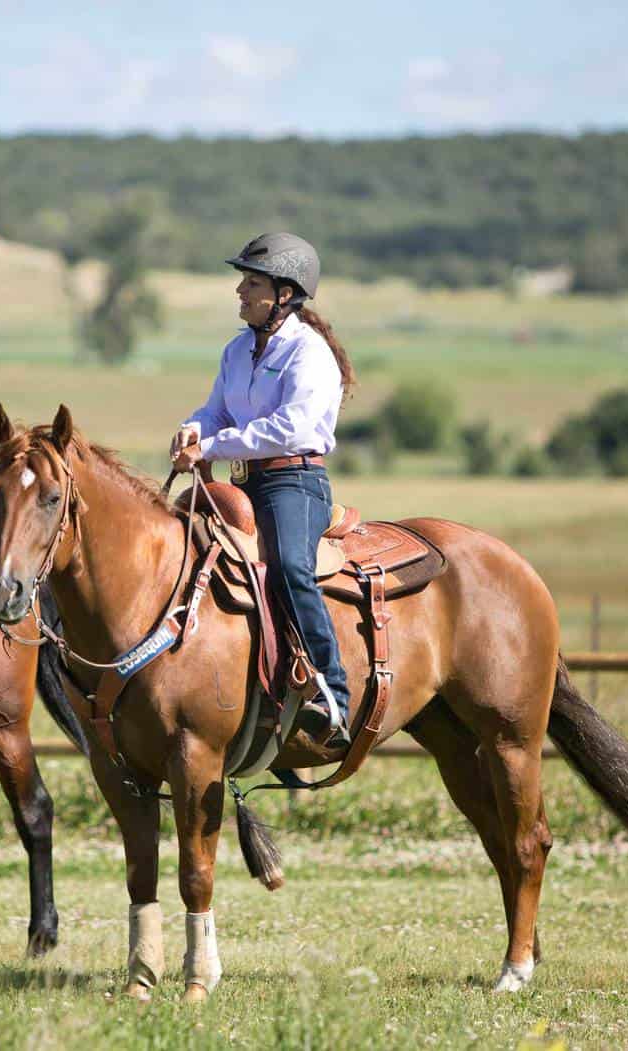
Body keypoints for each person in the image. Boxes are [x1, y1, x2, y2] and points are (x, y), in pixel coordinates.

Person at [172, 233, 358, 749]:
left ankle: (333, 695)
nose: (240, 291)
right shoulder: (236, 350)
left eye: (251, 282)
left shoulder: (309, 352)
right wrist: (194, 428)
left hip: (293, 481)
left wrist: (212, 445)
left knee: (291, 568)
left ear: (283, 293)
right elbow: (218, 410)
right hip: (246, 482)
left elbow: (291, 428)